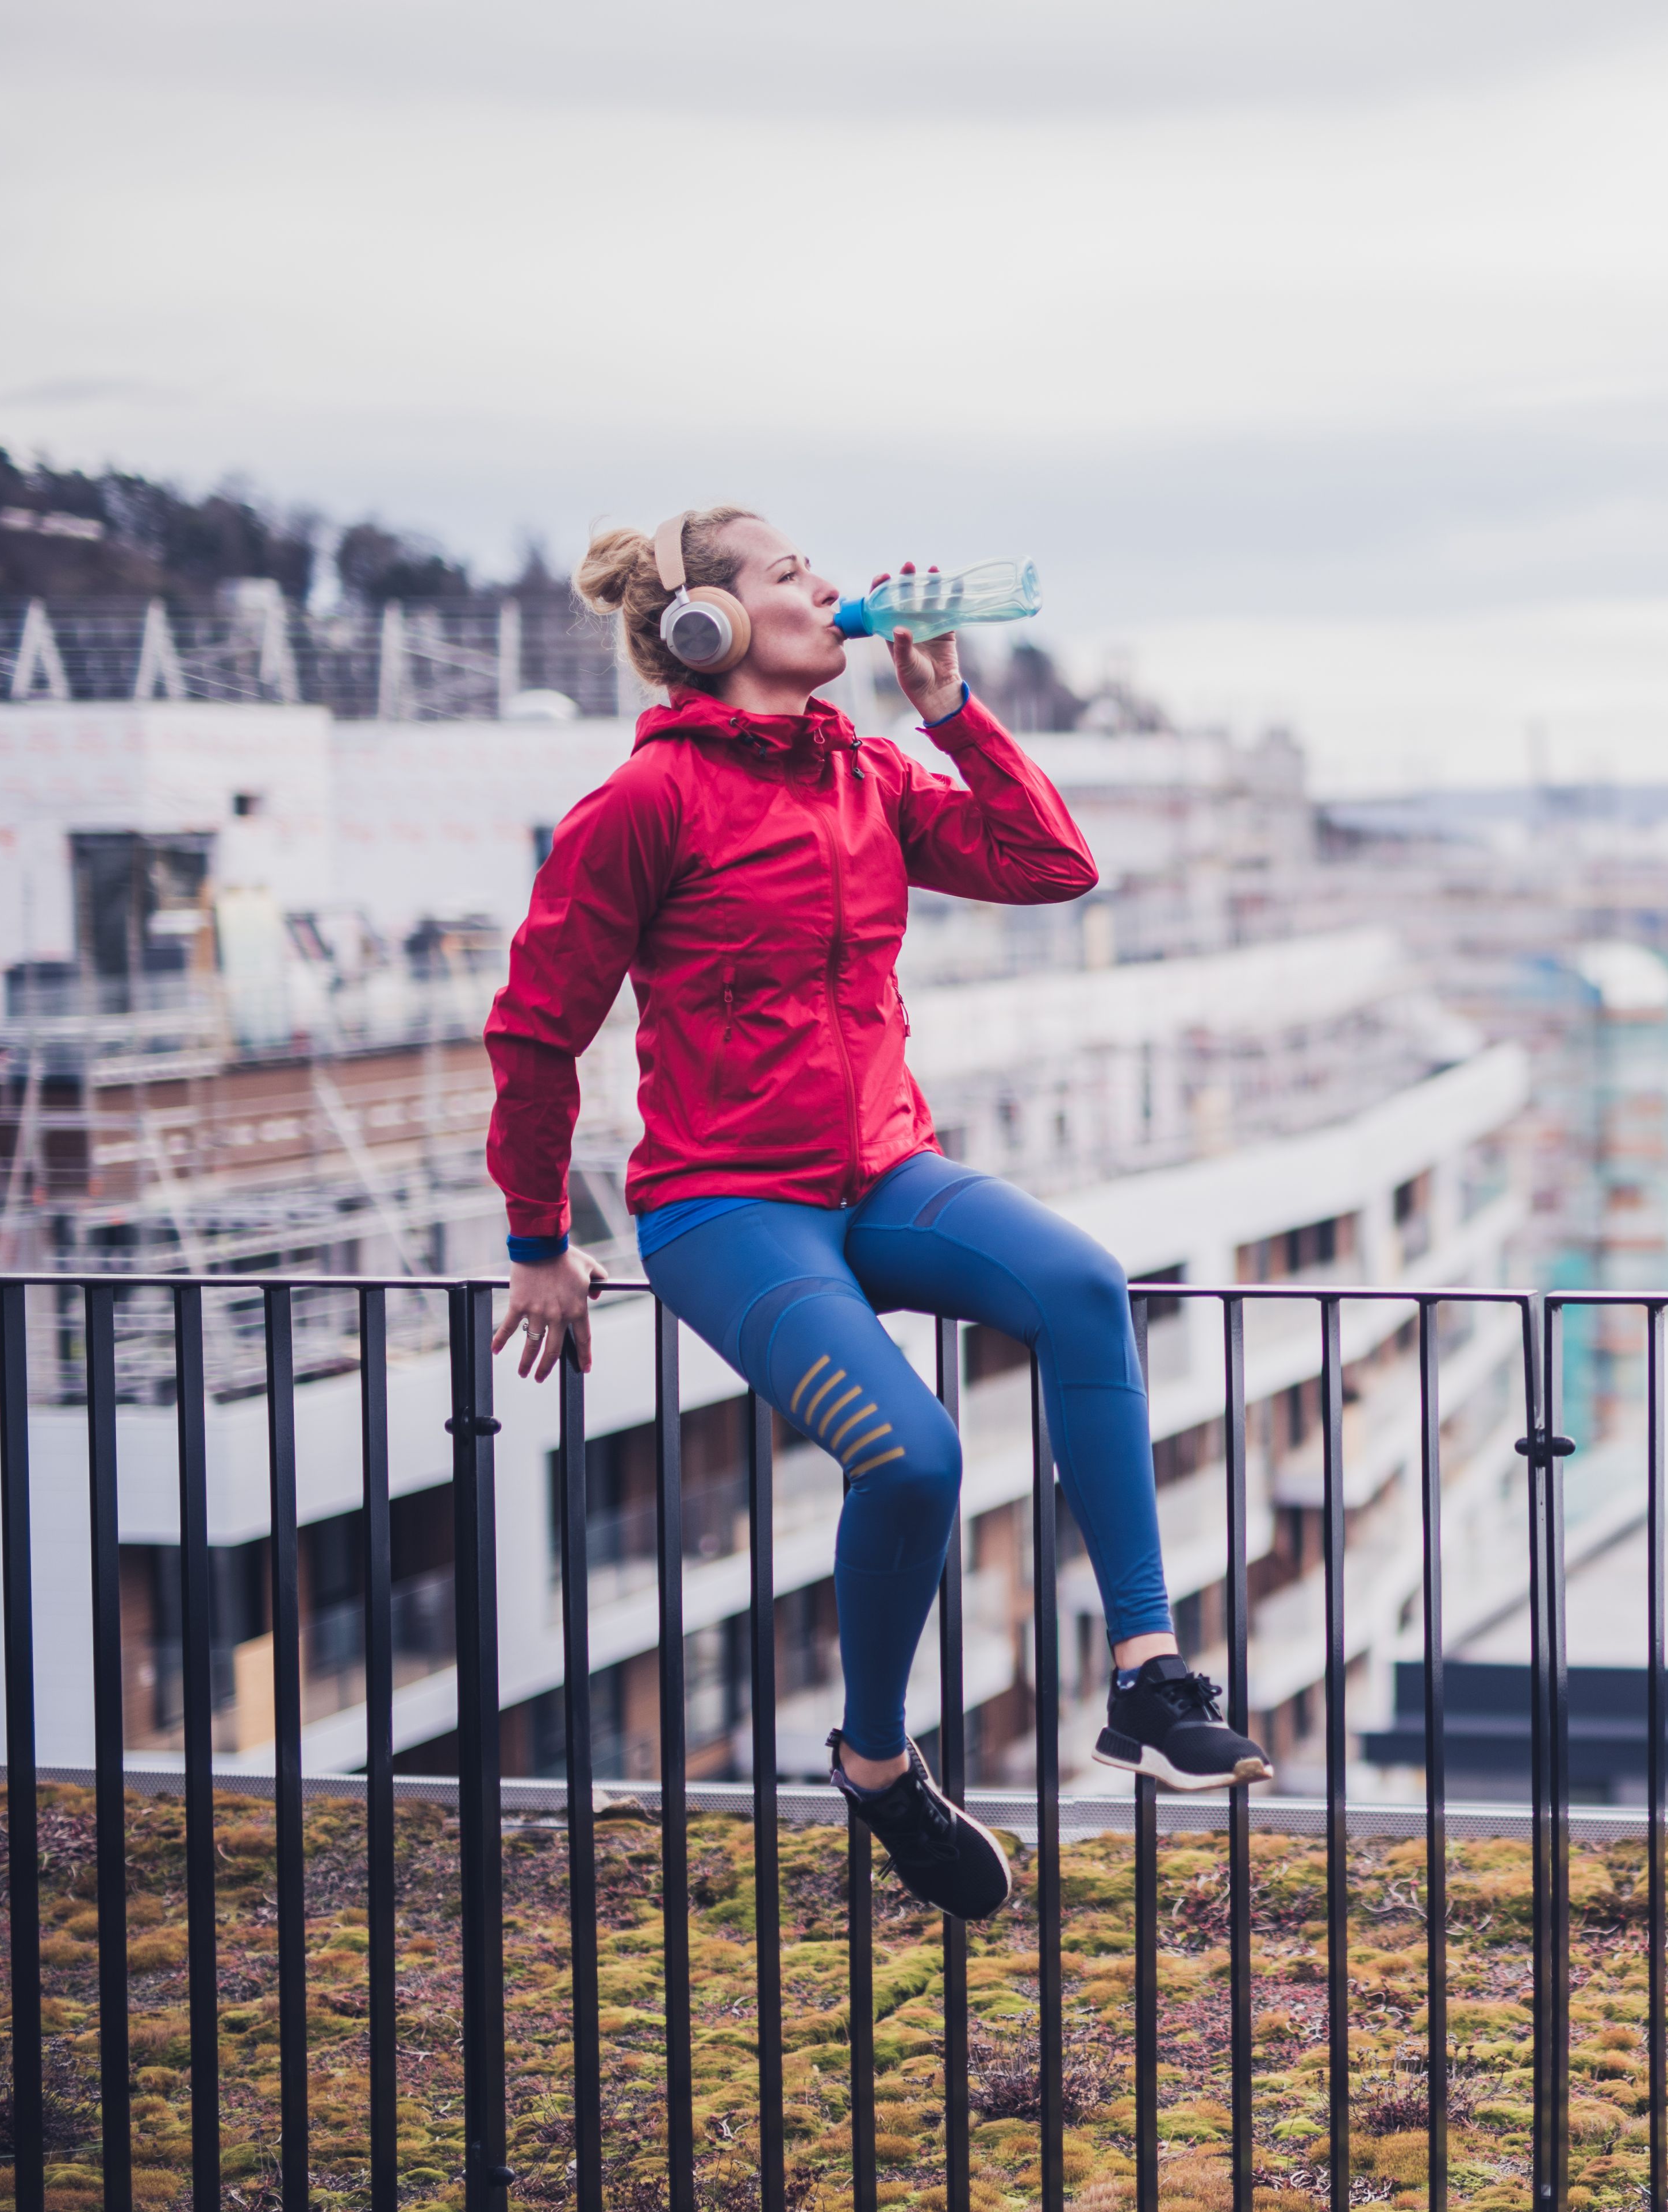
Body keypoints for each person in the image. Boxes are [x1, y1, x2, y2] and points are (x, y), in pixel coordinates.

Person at [483, 505, 1269, 1921]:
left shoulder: (869, 775)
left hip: (885, 1173)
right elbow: (538, 1030)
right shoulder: (643, 807)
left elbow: (1052, 868)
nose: (833, 590)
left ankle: (1150, 1678)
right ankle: (873, 1763)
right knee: (913, 1458)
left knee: (1087, 1286)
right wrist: (538, 1242)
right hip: (726, 1205)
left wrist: (955, 713)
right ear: (709, 630)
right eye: (794, 576)